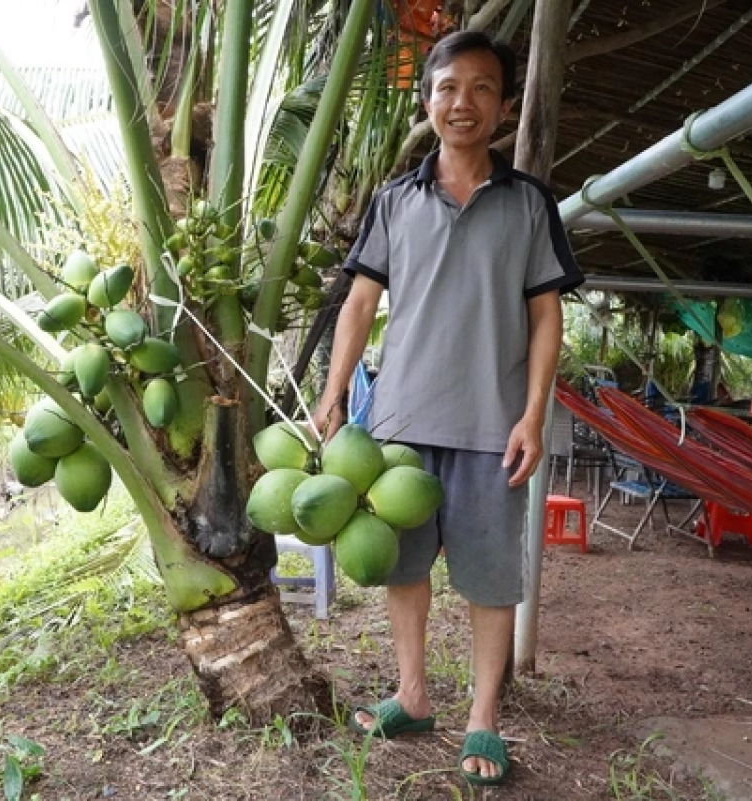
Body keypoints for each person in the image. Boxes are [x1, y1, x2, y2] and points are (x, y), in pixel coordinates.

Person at [313, 30, 583, 786]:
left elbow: (546, 315)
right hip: (398, 426)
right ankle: (413, 695)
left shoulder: (529, 203)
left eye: (482, 87)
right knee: (404, 570)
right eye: (448, 87)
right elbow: (359, 302)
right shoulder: (394, 200)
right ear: (427, 100)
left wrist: (533, 414)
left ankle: (483, 717)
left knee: (491, 578)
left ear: (504, 105)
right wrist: (334, 394)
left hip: (494, 428)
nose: (464, 102)